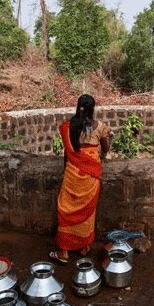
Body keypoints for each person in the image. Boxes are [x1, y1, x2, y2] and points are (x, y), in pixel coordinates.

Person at [49, 94, 111, 264]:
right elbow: (105, 150)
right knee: (87, 212)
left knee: (66, 209)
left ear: (78, 107)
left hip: (72, 174)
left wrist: (66, 172)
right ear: (93, 109)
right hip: (91, 175)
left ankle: (64, 251)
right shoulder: (101, 127)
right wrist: (108, 137)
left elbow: (67, 154)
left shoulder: (69, 127)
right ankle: (83, 247)